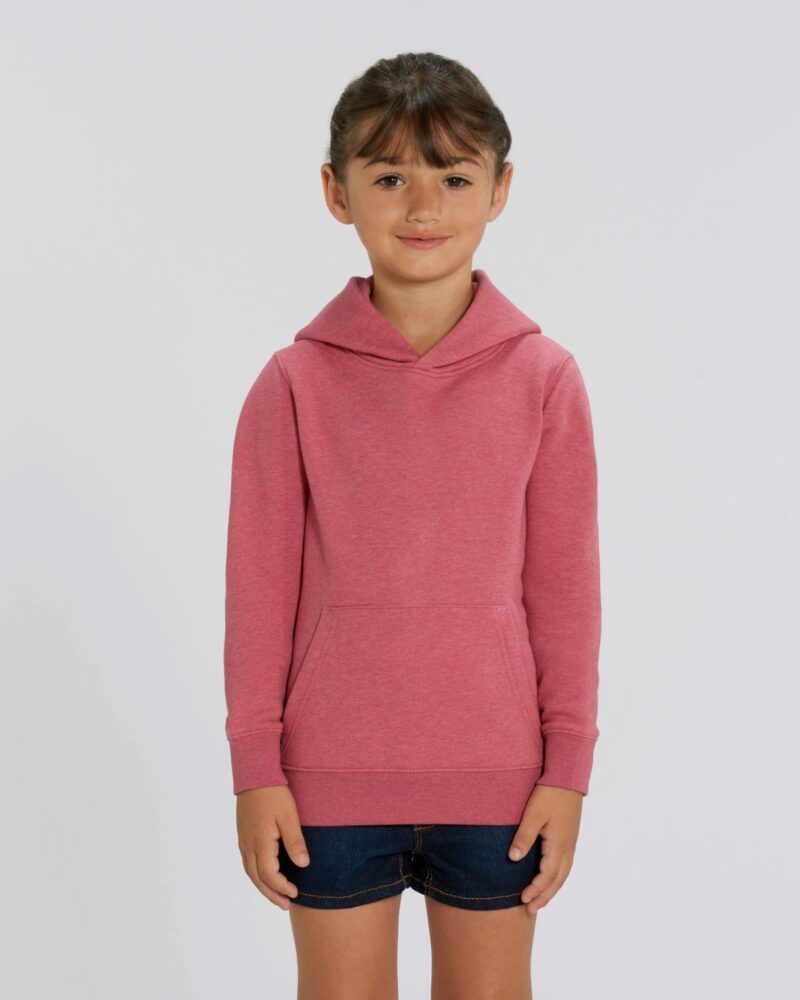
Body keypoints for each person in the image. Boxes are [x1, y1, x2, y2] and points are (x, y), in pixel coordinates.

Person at [223, 50, 602, 1000]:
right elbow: (257, 595)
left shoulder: (545, 380)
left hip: (501, 783)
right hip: (326, 782)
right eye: (390, 177)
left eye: (455, 178)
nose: (423, 206)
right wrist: (255, 768)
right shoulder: (293, 384)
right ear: (336, 192)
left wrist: (568, 770)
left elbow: (565, 593)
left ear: (500, 190)